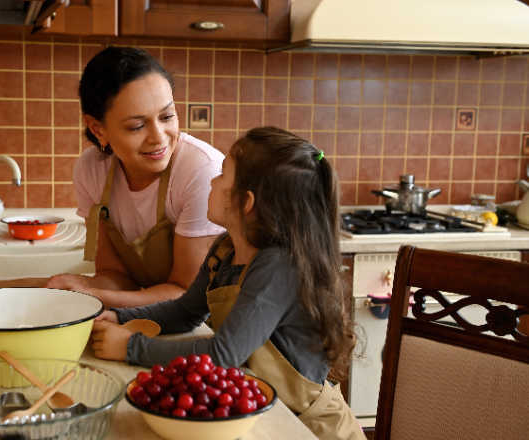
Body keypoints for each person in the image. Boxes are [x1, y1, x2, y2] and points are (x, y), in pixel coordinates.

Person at [90, 127, 364, 439]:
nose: (212, 181)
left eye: (222, 175)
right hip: (264, 416)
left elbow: (223, 356)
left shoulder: (278, 267)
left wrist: (130, 347)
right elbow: (184, 312)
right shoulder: (225, 250)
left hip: (310, 427)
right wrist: (123, 319)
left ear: (247, 202)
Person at [46, 46, 225, 308]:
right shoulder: (91, 170)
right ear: (98, 129)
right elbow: (116, 277)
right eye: (137, 126)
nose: (159, 137)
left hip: (209, 324)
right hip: (151, 314)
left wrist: (95, 296)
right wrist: (73, 289)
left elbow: (189, 295)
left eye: (167, 116)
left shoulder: (201, 170)